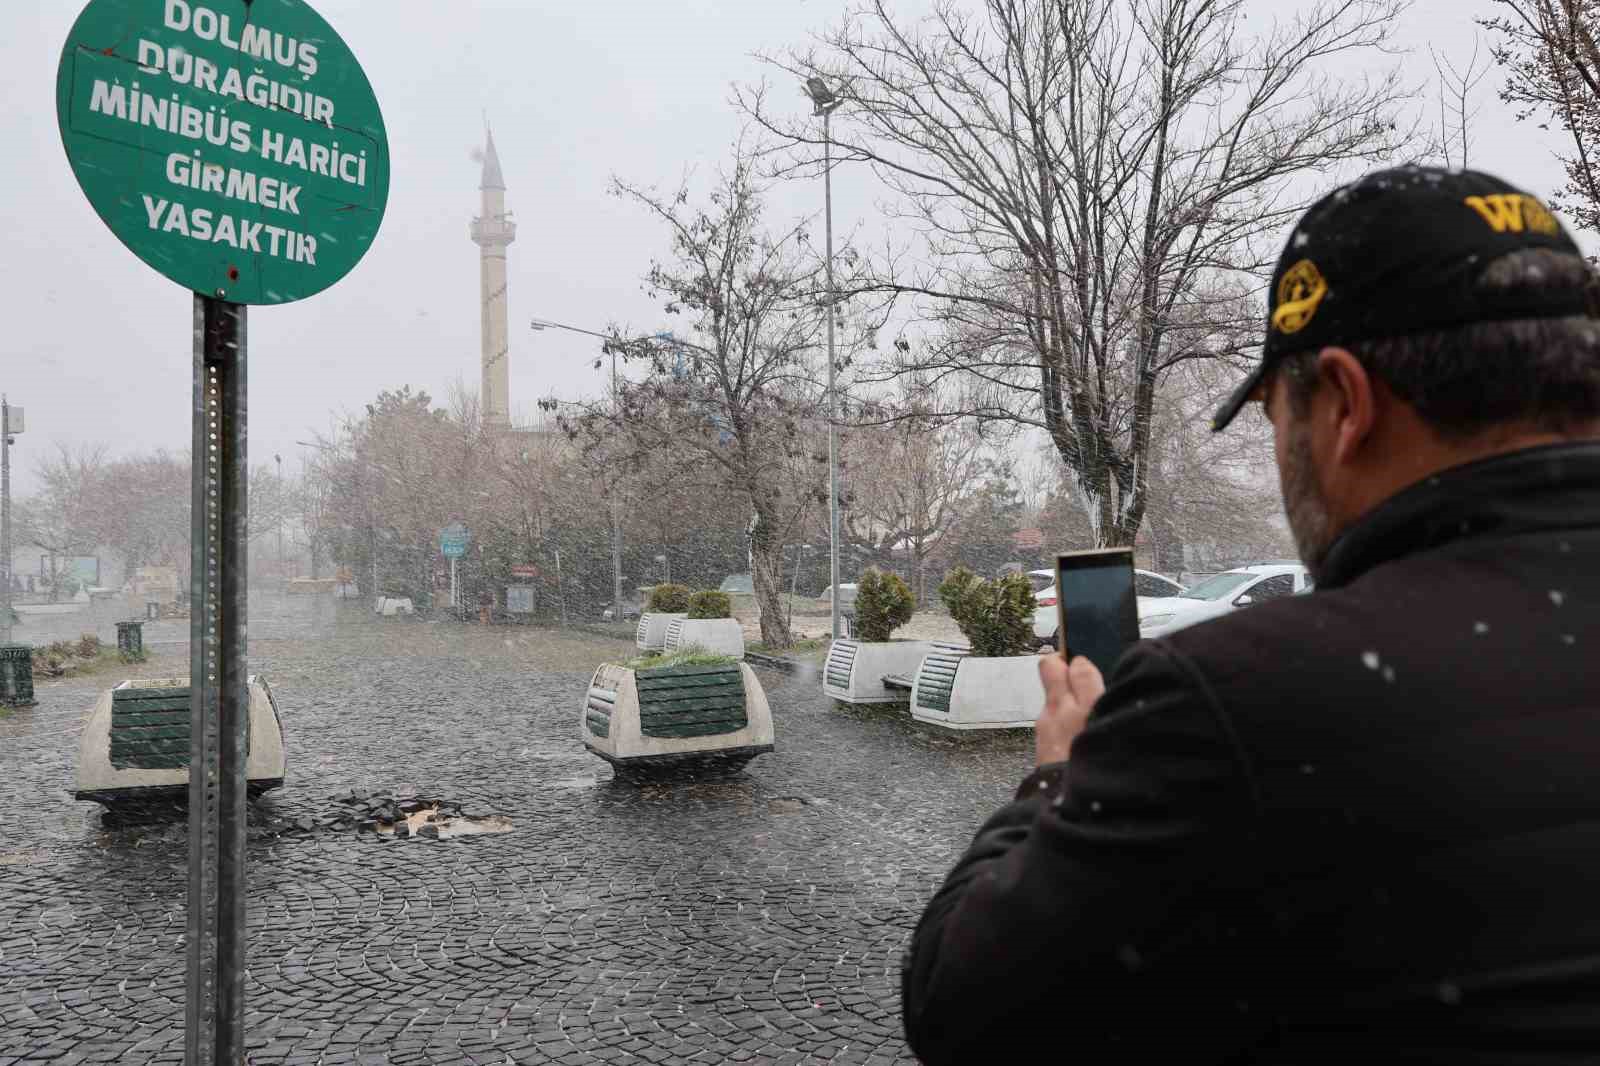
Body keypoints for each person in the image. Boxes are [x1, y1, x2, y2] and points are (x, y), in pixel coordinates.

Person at [901, 166, 1600, 1065]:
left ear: (1345, 404)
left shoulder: (1232, 700)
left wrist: (1059, 779)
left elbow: (962, 1011)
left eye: (1274, 408)